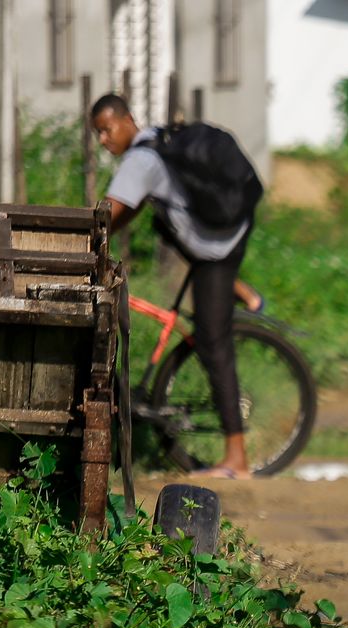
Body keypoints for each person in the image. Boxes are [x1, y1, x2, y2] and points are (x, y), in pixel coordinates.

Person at [91, 93, 254, 479]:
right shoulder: (158, 140)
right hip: (219, 239)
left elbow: (106, 216)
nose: (102, 140)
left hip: (216, 248)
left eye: (106, 129)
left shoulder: (140, 160)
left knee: (213, 343)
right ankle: (237, 287)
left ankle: (237, 457)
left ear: (127, 120)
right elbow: (128, 212)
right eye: (97, 133)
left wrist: (80, 244)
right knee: (163, 226)